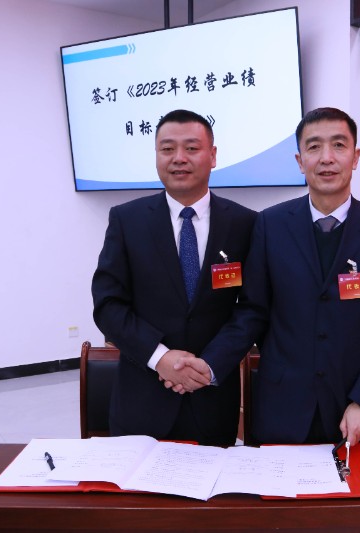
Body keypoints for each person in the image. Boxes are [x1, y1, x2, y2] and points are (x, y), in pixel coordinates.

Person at [170, 107, 360, 446]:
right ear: (300, 161)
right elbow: (253, 311)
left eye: (339, 145)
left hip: (354, 410)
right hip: (281, 408)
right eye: (314, 147)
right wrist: (209, 366)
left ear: (355, 157)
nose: (326, 158)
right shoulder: (270, 225)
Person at [91, 109, 256, 446]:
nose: (179, 158)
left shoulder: (245, 223)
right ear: (156, 156)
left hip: (213, 400)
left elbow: (252, 308)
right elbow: (108, 304)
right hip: (141, 402)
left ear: (213, 155)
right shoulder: (127, 220)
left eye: (192, 148)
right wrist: (160, 357)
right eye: (167, 149)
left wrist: (209, 365)